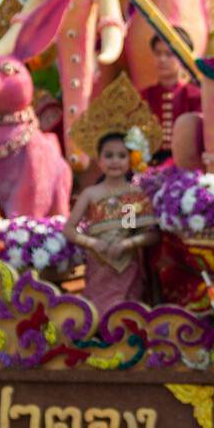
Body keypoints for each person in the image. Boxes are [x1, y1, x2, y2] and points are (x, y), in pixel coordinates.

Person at [63, 132, 160, 312]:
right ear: (99, 160)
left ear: (130, 160)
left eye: (121, 156)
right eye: (109, 156)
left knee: (127, 317)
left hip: (127, 267)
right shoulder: (90, 194)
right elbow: (69, 229)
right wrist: (92, 242)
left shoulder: (134, 194)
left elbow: (148, 233)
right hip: (98, 266)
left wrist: (127, 243)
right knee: (96, 316)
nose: (115, 161)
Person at [139, 26, 201, 166]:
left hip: (186, 166)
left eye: (169, 54)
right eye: (158, 53)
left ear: (184, 57)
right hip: (147, 166)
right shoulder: (142, 97)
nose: (162, 59)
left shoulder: (196, 96)